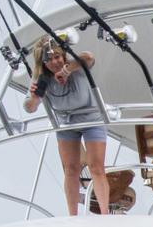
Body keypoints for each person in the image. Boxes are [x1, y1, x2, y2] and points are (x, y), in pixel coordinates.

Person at [24, 35, 108, 215]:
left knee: (96, 167)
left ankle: (105, 213)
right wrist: (34, 98)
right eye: (49, 59)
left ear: (63, 56)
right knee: (70, 169)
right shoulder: (41, 79)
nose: (55, 62)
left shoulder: (75, 66)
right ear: (43, 62)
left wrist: (67, 70)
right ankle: (72, 215)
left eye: (57, 57)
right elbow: (29, 108)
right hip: (66, 123)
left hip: (91, 119)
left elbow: (89, 57)